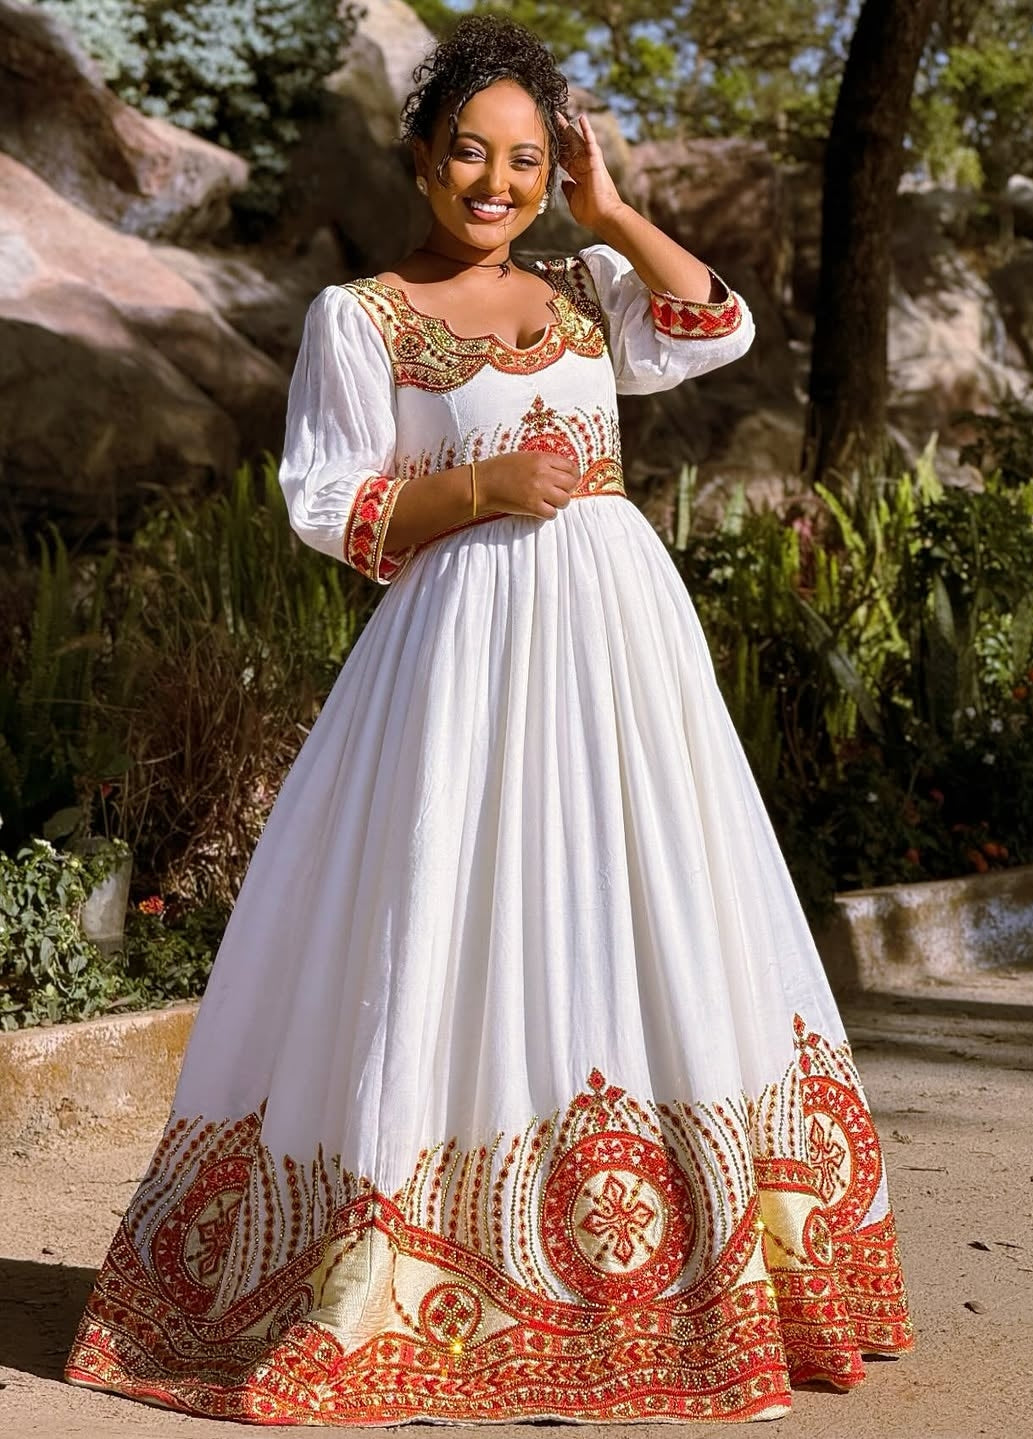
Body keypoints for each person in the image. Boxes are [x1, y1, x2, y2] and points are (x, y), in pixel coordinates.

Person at [65, 14, 913, 1425]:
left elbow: (717, 326)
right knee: (450, 917)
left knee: (638, 909)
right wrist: (478, 491)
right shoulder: (362, 314)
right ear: (420, 159)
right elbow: (328, 502)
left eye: (525, 159)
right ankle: (403, 1266)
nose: (497, 182)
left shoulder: (586, 283)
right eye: (471, 152)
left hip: (622, 660)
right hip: (457, 665)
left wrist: (619, 209)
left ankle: (671, 1271)